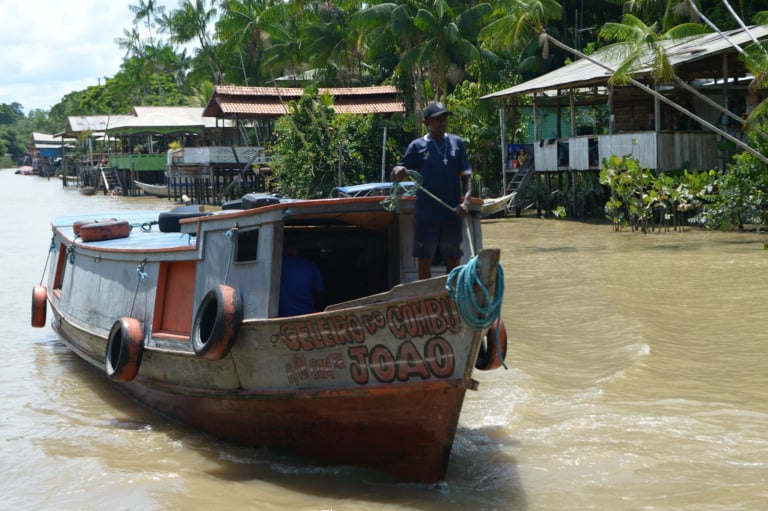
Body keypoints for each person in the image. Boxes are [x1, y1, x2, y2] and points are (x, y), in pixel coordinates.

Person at [391, 101, 472, 280]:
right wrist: (397, 171)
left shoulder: (457, 143)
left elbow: (466, 177)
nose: (442, 122)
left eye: (444, 118)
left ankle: (451, 296)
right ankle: (424, 298)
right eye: (437, 120)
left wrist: (465, 202)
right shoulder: (417, 146)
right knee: (425, 259)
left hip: (452, 212)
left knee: (453, 258)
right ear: (427, 123)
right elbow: (397, 171)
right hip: (426, 214)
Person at [278, 239, 325, 317]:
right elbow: (320, 295)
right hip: (308, 315)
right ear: (293, 249)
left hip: (281, 316)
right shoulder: (311, 266)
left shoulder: (273, 265)